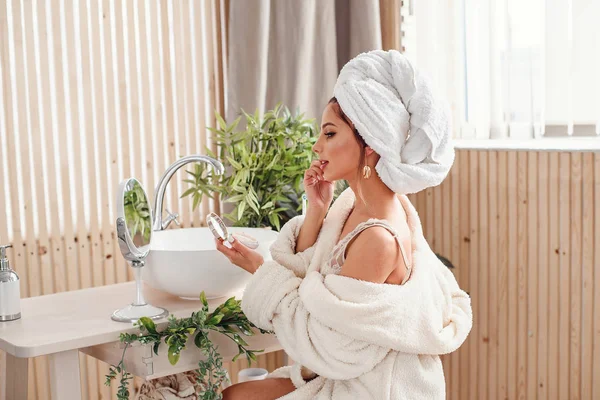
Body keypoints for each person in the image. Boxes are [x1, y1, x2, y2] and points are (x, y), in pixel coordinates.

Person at [216, 49, 472, 400]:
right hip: (338, 369)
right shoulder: (352, 205)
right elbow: (311, 277)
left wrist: (260, 271)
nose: (317, 145)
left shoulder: (379, 239)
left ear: (370, 143)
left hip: (368, 386)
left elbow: (329, 346)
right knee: (234, 394)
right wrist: (316, 211)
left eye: (330, 134)